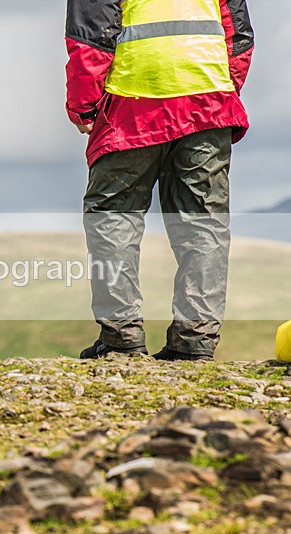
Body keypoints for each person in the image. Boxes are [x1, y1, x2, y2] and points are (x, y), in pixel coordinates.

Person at [65, 0, 254, 361]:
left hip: (131, 101)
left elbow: (89, 38)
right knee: (203, 221)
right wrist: (221, 86)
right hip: (207, 97)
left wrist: (83, 106)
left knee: (113, 215)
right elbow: (240, 36)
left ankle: (121, 338)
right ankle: (195, 343)